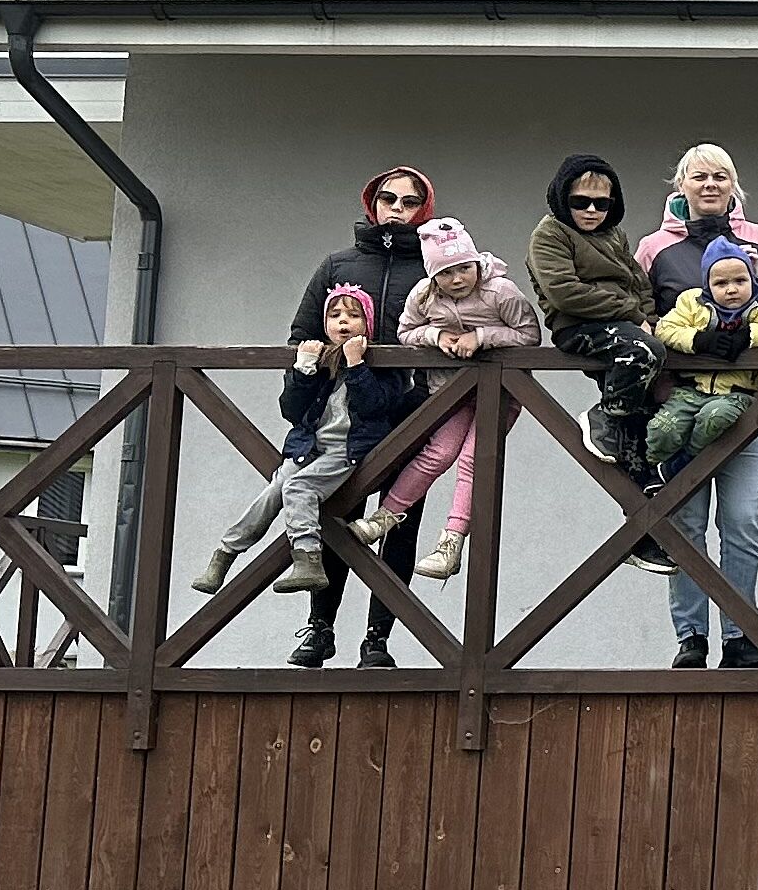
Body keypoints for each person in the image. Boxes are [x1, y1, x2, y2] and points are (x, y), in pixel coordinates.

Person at [283, 164, 441, 669]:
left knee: (398, 523)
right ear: (371, 204)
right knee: (335, 517)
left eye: (409, 201)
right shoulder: (337, 264)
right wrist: (307, 390)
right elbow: (301, 337)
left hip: (410, 415)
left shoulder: (435, 269)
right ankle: (319, 629)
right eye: (388, 198)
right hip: (342, 421)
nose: (397, 208)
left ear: (424, 209)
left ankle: (378, 639)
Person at [354, 217, 542, 582]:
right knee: (437, 453)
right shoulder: (423, 296)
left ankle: (450, 542)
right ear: (433, 276)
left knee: (473, 460)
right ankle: (385, 517)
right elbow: (406, 332)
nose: (457, 279)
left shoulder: (500, 291)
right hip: (450, 393)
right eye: (446, 273)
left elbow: (529, 334)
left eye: (463, 269)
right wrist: (437, 335)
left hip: (498, 395)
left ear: (475, 264)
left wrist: (482, 336)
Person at [648, 241, 758, 669]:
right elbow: (664, 331)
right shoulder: (690, 303)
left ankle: (740, 632)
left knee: (743, 524)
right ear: (707, 282)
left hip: (745, 415)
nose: (731, 288)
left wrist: (743, 335)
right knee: (687, 525)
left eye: (740, 280)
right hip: (688, 408)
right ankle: (691, 636)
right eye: (721, 280)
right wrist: (702, 340)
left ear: (753, 279)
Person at [191, 287, 373, 605]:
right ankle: (224, 555)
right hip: (309, 447)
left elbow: (376, 406)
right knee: (273, 492)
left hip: (346, 451)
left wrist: (357, 366)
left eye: (353, 316)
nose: (344, 322)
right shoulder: (321, 359)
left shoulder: (374, 362)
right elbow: (291, 410)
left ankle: (307, 559)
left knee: (299, 488)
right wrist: (303, 369)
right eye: (335, 315)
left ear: (367, 325)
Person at [529, 155, 672, 555]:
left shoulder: (615, 236)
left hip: (626, 326)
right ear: (563, 198)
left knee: (643, 438)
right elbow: (563, 292)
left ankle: (646, 536)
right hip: (579, 326)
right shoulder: (550, 234)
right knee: (643, 352)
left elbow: (638, 282)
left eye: (601, 203)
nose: (591, 210)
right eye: (580, 201)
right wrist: (630, 314)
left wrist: (647, 315)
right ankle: (605, 415)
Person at [633, 146, 758, 325]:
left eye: (720, 177)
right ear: (681, 184)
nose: (710, 184)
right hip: (682, 351)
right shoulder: (653, 247)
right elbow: (637, 315)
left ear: (732, 185)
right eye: (699, 177)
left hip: (757, 352)